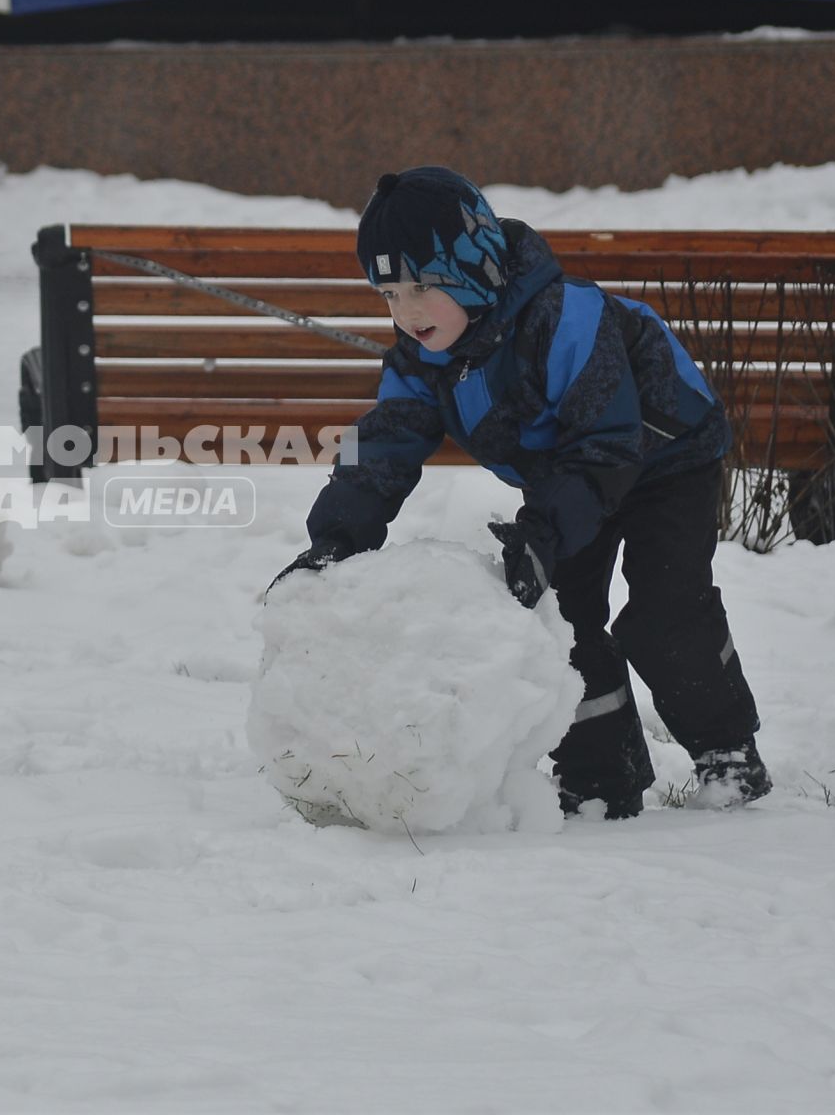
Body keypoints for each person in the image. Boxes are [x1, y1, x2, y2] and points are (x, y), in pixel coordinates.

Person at [273, 166, 770, 819]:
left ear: (475, 269)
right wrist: (337, 537)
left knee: (665, 613)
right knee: (563, 618)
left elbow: (605, 445)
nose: (407, 311)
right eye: (390, 293)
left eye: (423, 286)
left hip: (663, 452)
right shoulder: (425, 359)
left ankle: (727, 752)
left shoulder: (568, 321)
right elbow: (386, 445)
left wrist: (544, 531)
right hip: (570, 469)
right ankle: (601, 778)